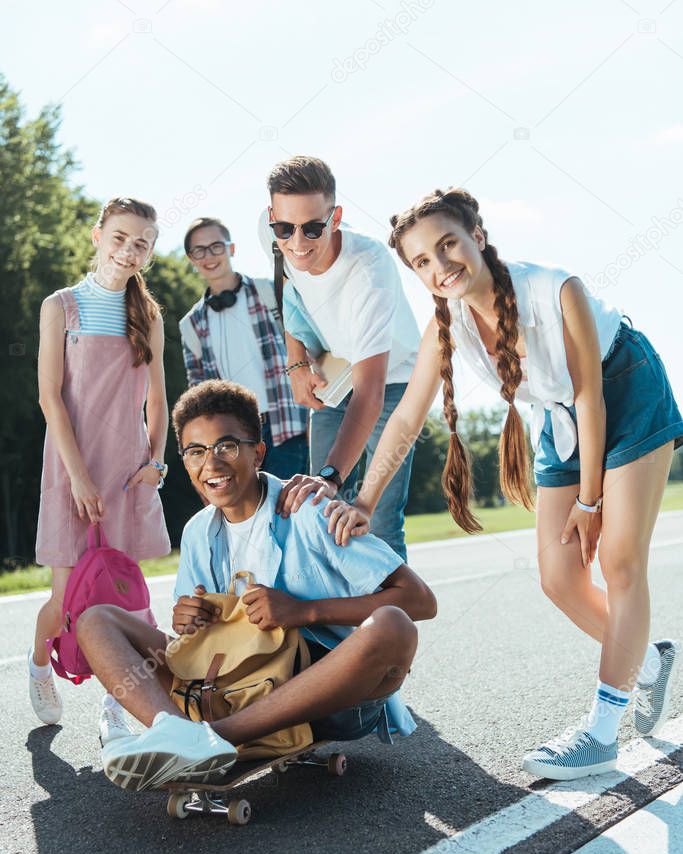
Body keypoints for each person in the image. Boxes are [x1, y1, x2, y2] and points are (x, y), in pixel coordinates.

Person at [323, 187, 683, 781]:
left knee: (620, 563)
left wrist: (590, 501)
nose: (440, 267)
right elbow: (408, 418)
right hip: (559, 415)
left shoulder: (555, 288)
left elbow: (592, 396)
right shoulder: (448, 325)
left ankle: (600, 732)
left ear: (478, 237)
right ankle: (649, 663)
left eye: (448, 246)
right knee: (558, 577)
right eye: (422, 261)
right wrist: (363, 499)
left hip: (623, 391)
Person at [75, 380, 436, 791]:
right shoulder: (197, 532)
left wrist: (305, 612)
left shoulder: (308, 509)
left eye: (226, 446)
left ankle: (213, 739)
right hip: (230, 687)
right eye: (196, 451)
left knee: (394, 625)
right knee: (95, 620)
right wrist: (188, 619)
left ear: (257, 452)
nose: (211, 463)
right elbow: (197, 648)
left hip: (322, 695)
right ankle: (175, 731)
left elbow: (420, 601)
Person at [30, 197, 171, 728]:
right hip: (70, 467)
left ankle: (117, 704)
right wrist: (79, 477)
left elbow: (158, 399)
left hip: (128, 471)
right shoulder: (60, 307)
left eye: (141, 243)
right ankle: (41, 665)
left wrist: (156, 463)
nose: (128, 250)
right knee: (66, 600)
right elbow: (50, 398)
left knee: (125, 601)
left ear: (149, 253)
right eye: (120, 237)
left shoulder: (150, 316)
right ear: (97, 236)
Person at [260, 155, 421, 561]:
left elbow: (370, 395)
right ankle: (338, 621)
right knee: (318, 511)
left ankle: (395, 621)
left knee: (377, 514)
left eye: (313, 228)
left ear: (336, 217)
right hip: (337, 373)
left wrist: (332, 476)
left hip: (392, 383)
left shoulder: (368, 270)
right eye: (285, 228)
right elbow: (287, 292)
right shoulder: (271, 238)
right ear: (272, 218)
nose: (297, 243)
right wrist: (296, 363)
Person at [180, 216, 308, 480]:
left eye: (216, 246)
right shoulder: (191, 325)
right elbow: (199, 393)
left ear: (232, 249)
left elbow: (307, 348)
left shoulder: (270, 291)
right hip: (232, 437)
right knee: (250, 516)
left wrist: (313, 416)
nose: (209, 256)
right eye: (199, 250)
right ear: (191, 258)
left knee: (290, 509)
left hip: (286, 423)